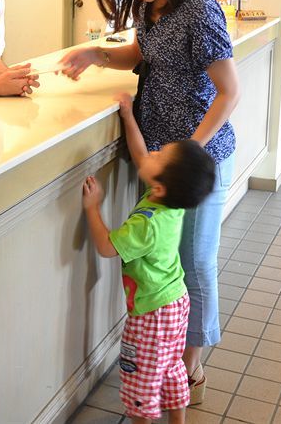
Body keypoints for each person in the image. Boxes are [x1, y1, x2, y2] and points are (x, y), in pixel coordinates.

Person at [60, 0, 239, 404]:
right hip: (159, 156)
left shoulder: (199, 10)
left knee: (193, 263)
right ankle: (169, 360)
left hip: (194, 162)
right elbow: (143, 52)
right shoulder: (151, 6)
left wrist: (190, 148)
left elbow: (229, 93)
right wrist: (97, 54)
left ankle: (192, 368)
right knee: (164, 262)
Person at [82, 93, 216, 424]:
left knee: (140, 377)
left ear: (157, 187)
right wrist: (128, 116)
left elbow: (106, 247)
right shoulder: (170, 201)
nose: (152, 153)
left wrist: (93, 208)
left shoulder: (146, 225)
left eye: (161, 155)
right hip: (175, 303)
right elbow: (142, 156)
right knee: (170, 367)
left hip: (151, 313)